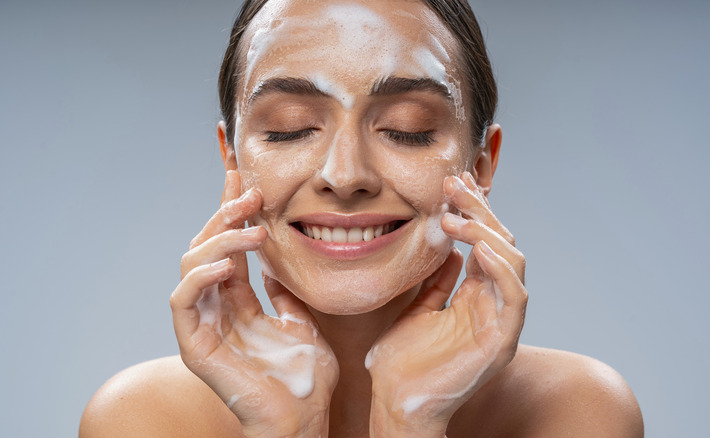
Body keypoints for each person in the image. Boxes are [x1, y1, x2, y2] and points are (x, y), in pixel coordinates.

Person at [80, 0, 643, 436]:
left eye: (408, 127)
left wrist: (410, 427)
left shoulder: (577, 411)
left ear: (480, 163)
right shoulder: (137, 420)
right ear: (233, 159)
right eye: (291, 126)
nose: (345, 174)